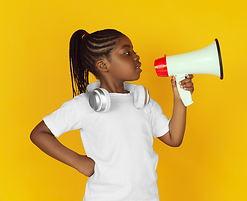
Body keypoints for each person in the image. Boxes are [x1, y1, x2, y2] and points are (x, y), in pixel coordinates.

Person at [30, 29, 194, 201]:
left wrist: (179, 97)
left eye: (134, 51)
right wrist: (79, 162)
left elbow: (173, 138)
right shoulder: (85, 105)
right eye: (127, 52)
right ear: (103, 65)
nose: (136, 56)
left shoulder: (143, 102)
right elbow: (39, 134)